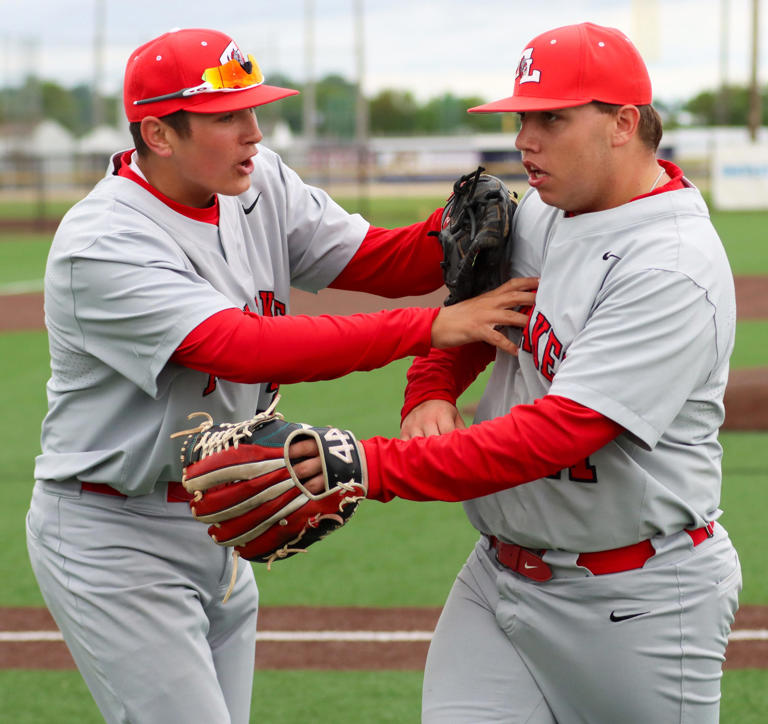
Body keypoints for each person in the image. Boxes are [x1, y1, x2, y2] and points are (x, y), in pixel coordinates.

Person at [24, 27, 537, 724]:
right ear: (158, 134)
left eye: (254, 110)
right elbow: (241, 347)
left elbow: (372, 261)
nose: (254, 132)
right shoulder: (105, 242)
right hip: (117, 528)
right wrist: (429, 326)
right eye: (227, 117)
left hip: (225, 510)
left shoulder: (254, 183)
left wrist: (449, 231)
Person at [288, 22, 742, 723]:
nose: (525, 138)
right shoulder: (545, 212)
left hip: (636, 603)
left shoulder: (672, 266)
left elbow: (558, 434)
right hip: (498, 580)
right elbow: (476, 314)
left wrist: (369, 467)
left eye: (551, 118)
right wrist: (431, 388)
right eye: (521, 116)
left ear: (623, 123)